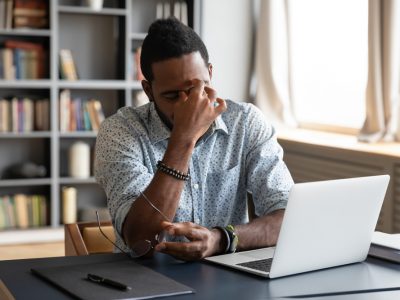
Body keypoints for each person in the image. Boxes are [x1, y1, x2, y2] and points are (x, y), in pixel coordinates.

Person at [95, 17, 294, 261]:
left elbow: (289, 217)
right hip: (146, 278)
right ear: (148, 91)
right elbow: (140, 240)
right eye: (171, 95)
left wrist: (222, 239)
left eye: (196, 89)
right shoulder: (120, 131)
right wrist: (184, 138)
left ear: (210, 73)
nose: (188, 104)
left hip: (227, 276)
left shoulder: (245, 122)